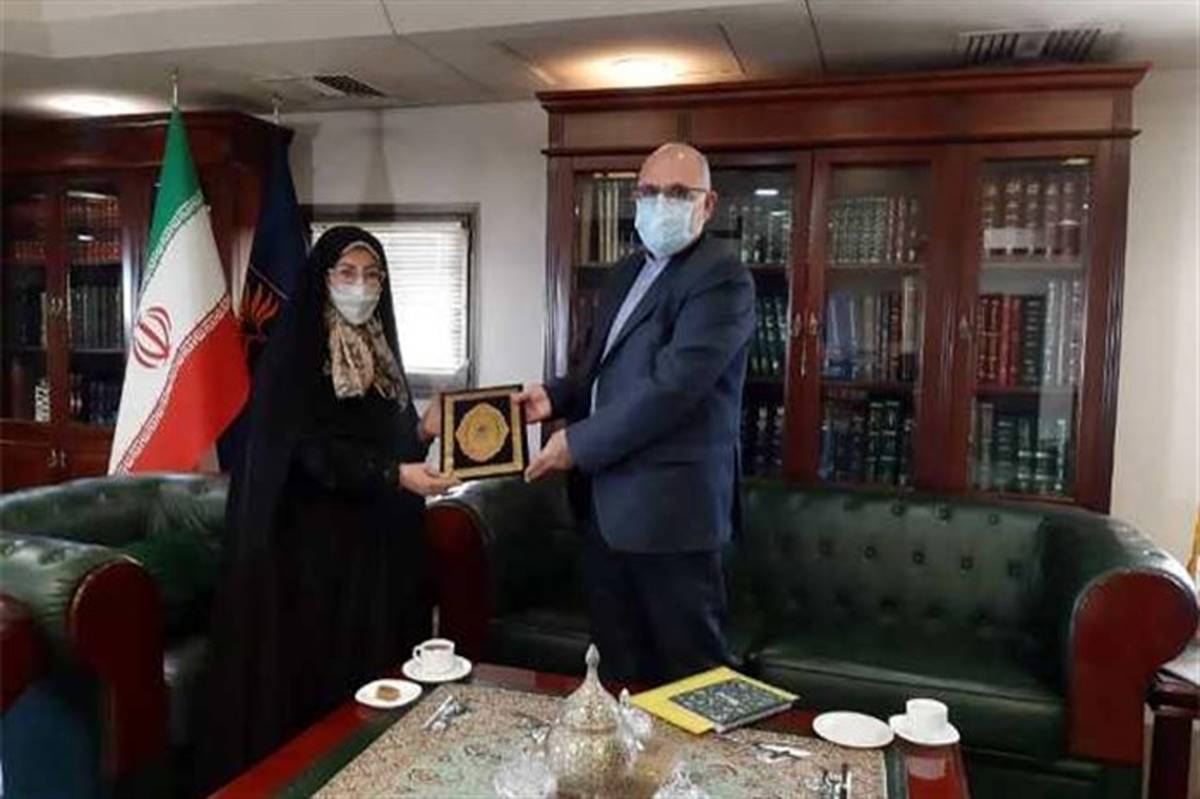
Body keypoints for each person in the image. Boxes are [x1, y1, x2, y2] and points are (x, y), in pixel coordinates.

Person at [196, 226, 458, 791]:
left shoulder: (378, 349)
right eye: (348, 273)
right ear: (324, 278)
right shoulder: (297, 354)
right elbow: (309, 452)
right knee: (323, 686)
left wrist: (423, 432)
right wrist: (393, 474)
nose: (360, 286)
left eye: (372, 275)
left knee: (377, 676)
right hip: (310, 550)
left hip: (373, 546)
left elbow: (386, 443)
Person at [517, 142, 755, 684]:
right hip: (603, 512)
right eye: (649, 192)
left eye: (678, 193)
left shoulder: (722, 278)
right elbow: (597, 366)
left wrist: (576, 443)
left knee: (690, 683)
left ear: (708, 204)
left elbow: (671, 388)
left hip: (672, 520)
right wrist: (555, 396)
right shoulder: (627, 272)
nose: (660, 204)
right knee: (619, 676)